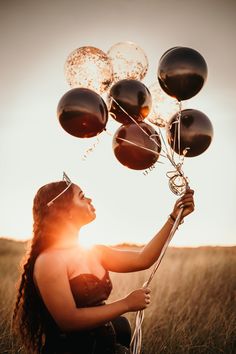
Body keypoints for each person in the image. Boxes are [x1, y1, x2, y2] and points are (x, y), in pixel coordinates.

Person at [12, 172, 194, 354]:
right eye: (82, 196)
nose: (90, 199)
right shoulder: (50, 260)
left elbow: (143, 259)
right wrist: (126, 304)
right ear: (64, 211)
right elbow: (68, 320)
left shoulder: (95, 251)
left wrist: (174, 218)